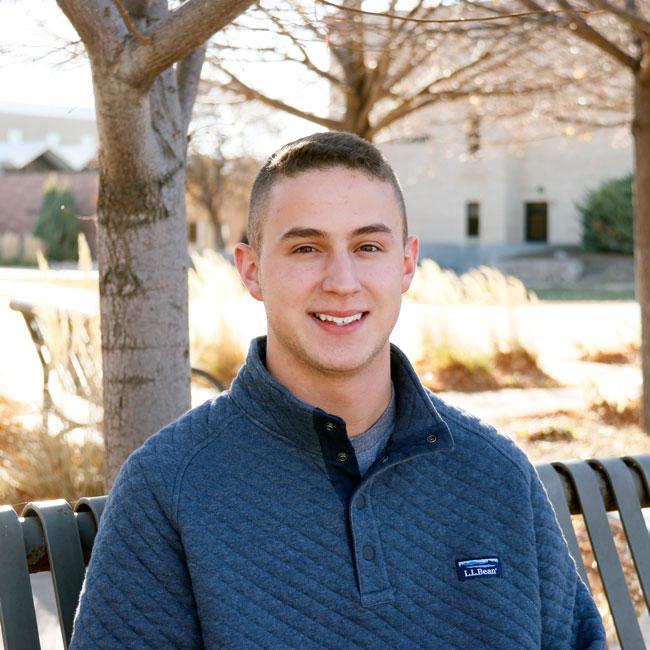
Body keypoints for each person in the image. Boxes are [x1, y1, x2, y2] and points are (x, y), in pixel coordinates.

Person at [70, 132, 605, 648]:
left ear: (405, 264)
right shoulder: (169, 486)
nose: (342, 280)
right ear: (252, 271)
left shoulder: (496, 473)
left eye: (368, 246)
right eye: (307, 248)